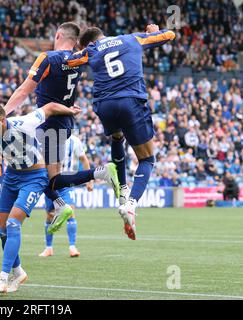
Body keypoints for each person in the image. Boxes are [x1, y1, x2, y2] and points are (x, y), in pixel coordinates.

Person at [3, 22, 119, 234]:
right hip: (64, 123)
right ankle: (61, 205)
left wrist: (3, 113)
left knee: (36, 175)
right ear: (75, 41)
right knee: (52, 179)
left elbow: (23, 91)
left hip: (47, 123)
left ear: (57, 35)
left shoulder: (48, 58)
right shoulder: (79, 59)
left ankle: (98, 174)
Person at [66, 24, 176, 240]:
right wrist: (153, 31)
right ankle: (131, 205)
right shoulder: (131, 39)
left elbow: (69, 62)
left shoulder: (91, 50)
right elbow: (170, 35)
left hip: (104, 104)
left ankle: (123, 189)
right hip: (130, 100)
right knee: (147, 159)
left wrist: (79, 51)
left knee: (117, 137)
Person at [0, 102, 82, 294]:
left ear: (2, 120)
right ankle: (18, 272)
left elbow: (50, 107)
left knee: (12, 224)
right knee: (2, 231)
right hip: (11, 177)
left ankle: (2, 278)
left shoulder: (24, 123)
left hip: (34, 177)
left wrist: (69, 111)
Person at [40, 133, 93, 258]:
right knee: (49, 216)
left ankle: (72, 247)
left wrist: (90, 180)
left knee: (70, 212)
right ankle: (48, 248)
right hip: (50, 183)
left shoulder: (75, 141)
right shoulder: (49, 138)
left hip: (67, 182)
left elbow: (84, 159)